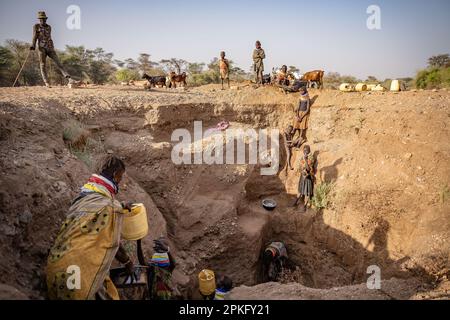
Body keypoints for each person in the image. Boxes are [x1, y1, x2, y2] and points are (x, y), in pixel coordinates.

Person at [46, 155, 134, 300]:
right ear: (114, 175)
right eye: (120, 177)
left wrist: (121, 205)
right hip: (78, 279)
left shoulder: (83, 197)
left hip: (55, 271)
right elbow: (114, 243)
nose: (120, 181)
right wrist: (128, 263)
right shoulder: (111, 208)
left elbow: (96, 210)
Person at [30, 11, 72, 88]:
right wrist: (33, 45)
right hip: (41, 48)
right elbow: (34, 36)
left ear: (46, 19)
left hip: (50, 47)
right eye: (41, 19)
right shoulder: (36, 26)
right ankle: (46, 82)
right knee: (42, 65)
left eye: (44, 19)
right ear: (39, 19)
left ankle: (69, 78)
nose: (43, 20)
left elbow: (48, 37)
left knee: (58, 63)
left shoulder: (49, 27)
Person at [293, 145, 316, 212]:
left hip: (308, 176)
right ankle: (296, 202)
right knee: (300, 190)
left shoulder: (311, 158)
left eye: (306, 150)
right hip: (303, 176)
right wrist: (301, 171)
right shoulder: (302, 157)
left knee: (307, 192)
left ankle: (305, 206)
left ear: (309, 151)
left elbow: (308, 168)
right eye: (304, 150)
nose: (305, 152)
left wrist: (306, 160)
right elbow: (300, 167)